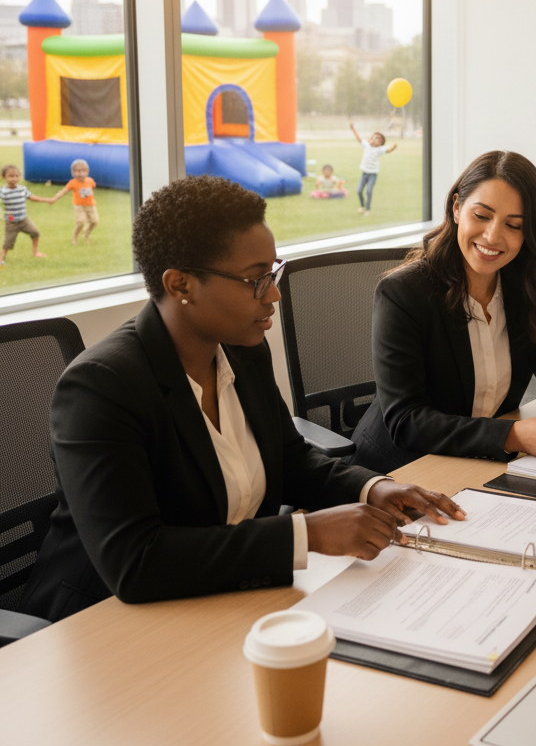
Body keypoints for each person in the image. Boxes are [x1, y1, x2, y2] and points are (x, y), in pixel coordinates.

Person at [21, 175, 462, 623]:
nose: (273, 294)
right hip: (104, 623)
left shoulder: (242, 349)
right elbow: (136, 562)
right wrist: (304, 534)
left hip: (227, 600)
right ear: (181, 286)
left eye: (273, 272)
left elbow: (289, 459)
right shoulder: (102, 388)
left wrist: (373, 488)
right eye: (255, 280)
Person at [350, 150, 536, 473]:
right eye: (482, 215)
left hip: (479, 461)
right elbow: (407, 420)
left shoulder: (522, 288)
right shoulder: (403, 294)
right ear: (457, 207)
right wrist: (513, 435)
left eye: (513, 225)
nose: (492, 236)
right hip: (399, 469)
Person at [0, 164, 48, 267]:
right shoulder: (3, 192)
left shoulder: (22, 189)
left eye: (17, 175)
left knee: (35, 232)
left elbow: (32, 197)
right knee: (8, 242)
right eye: (11, 176)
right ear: (4, 177)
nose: (14, 178)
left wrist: (46, 200)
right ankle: (1, 258)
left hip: (24, 219)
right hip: (11, 222)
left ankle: (35, 252)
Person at [46, 158, 99, 244]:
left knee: (94, 221)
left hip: (90, 205)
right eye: (78, 171)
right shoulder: (73, 183)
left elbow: (92, 189)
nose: (81, 173)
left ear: (87, 171)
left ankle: (86, 233)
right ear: (73, 173)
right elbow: (63, 191)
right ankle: (74, 238)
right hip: (79, 206)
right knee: (80, 222)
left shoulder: (90, 181)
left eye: (83, 171)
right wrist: (54, 198)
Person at [350, 120, 396, 215]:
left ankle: (367, 209)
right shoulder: (366, 145)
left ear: (381, 143)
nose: (374, 141)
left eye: (378, 140)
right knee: (359, 190)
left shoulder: (379, 150)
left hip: (373, 175)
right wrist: (353, 128)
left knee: (369, 191)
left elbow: (388, 150)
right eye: (373, 138)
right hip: (364, 173)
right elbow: (358, 137)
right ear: (369, 139)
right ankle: (362, 206)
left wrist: (393, 147)